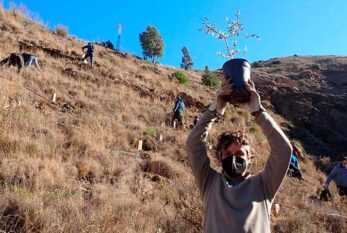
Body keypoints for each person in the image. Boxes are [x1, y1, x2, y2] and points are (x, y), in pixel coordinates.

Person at [186, 78, 292, 233]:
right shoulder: (209, 182)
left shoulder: (265, 184)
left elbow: (283, 150)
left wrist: (258, 112)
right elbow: (193, 145)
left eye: (240, 153)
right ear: (220, 157)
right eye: (227, 153)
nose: (233, 157)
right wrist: (214, 111)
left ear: (250, 159)